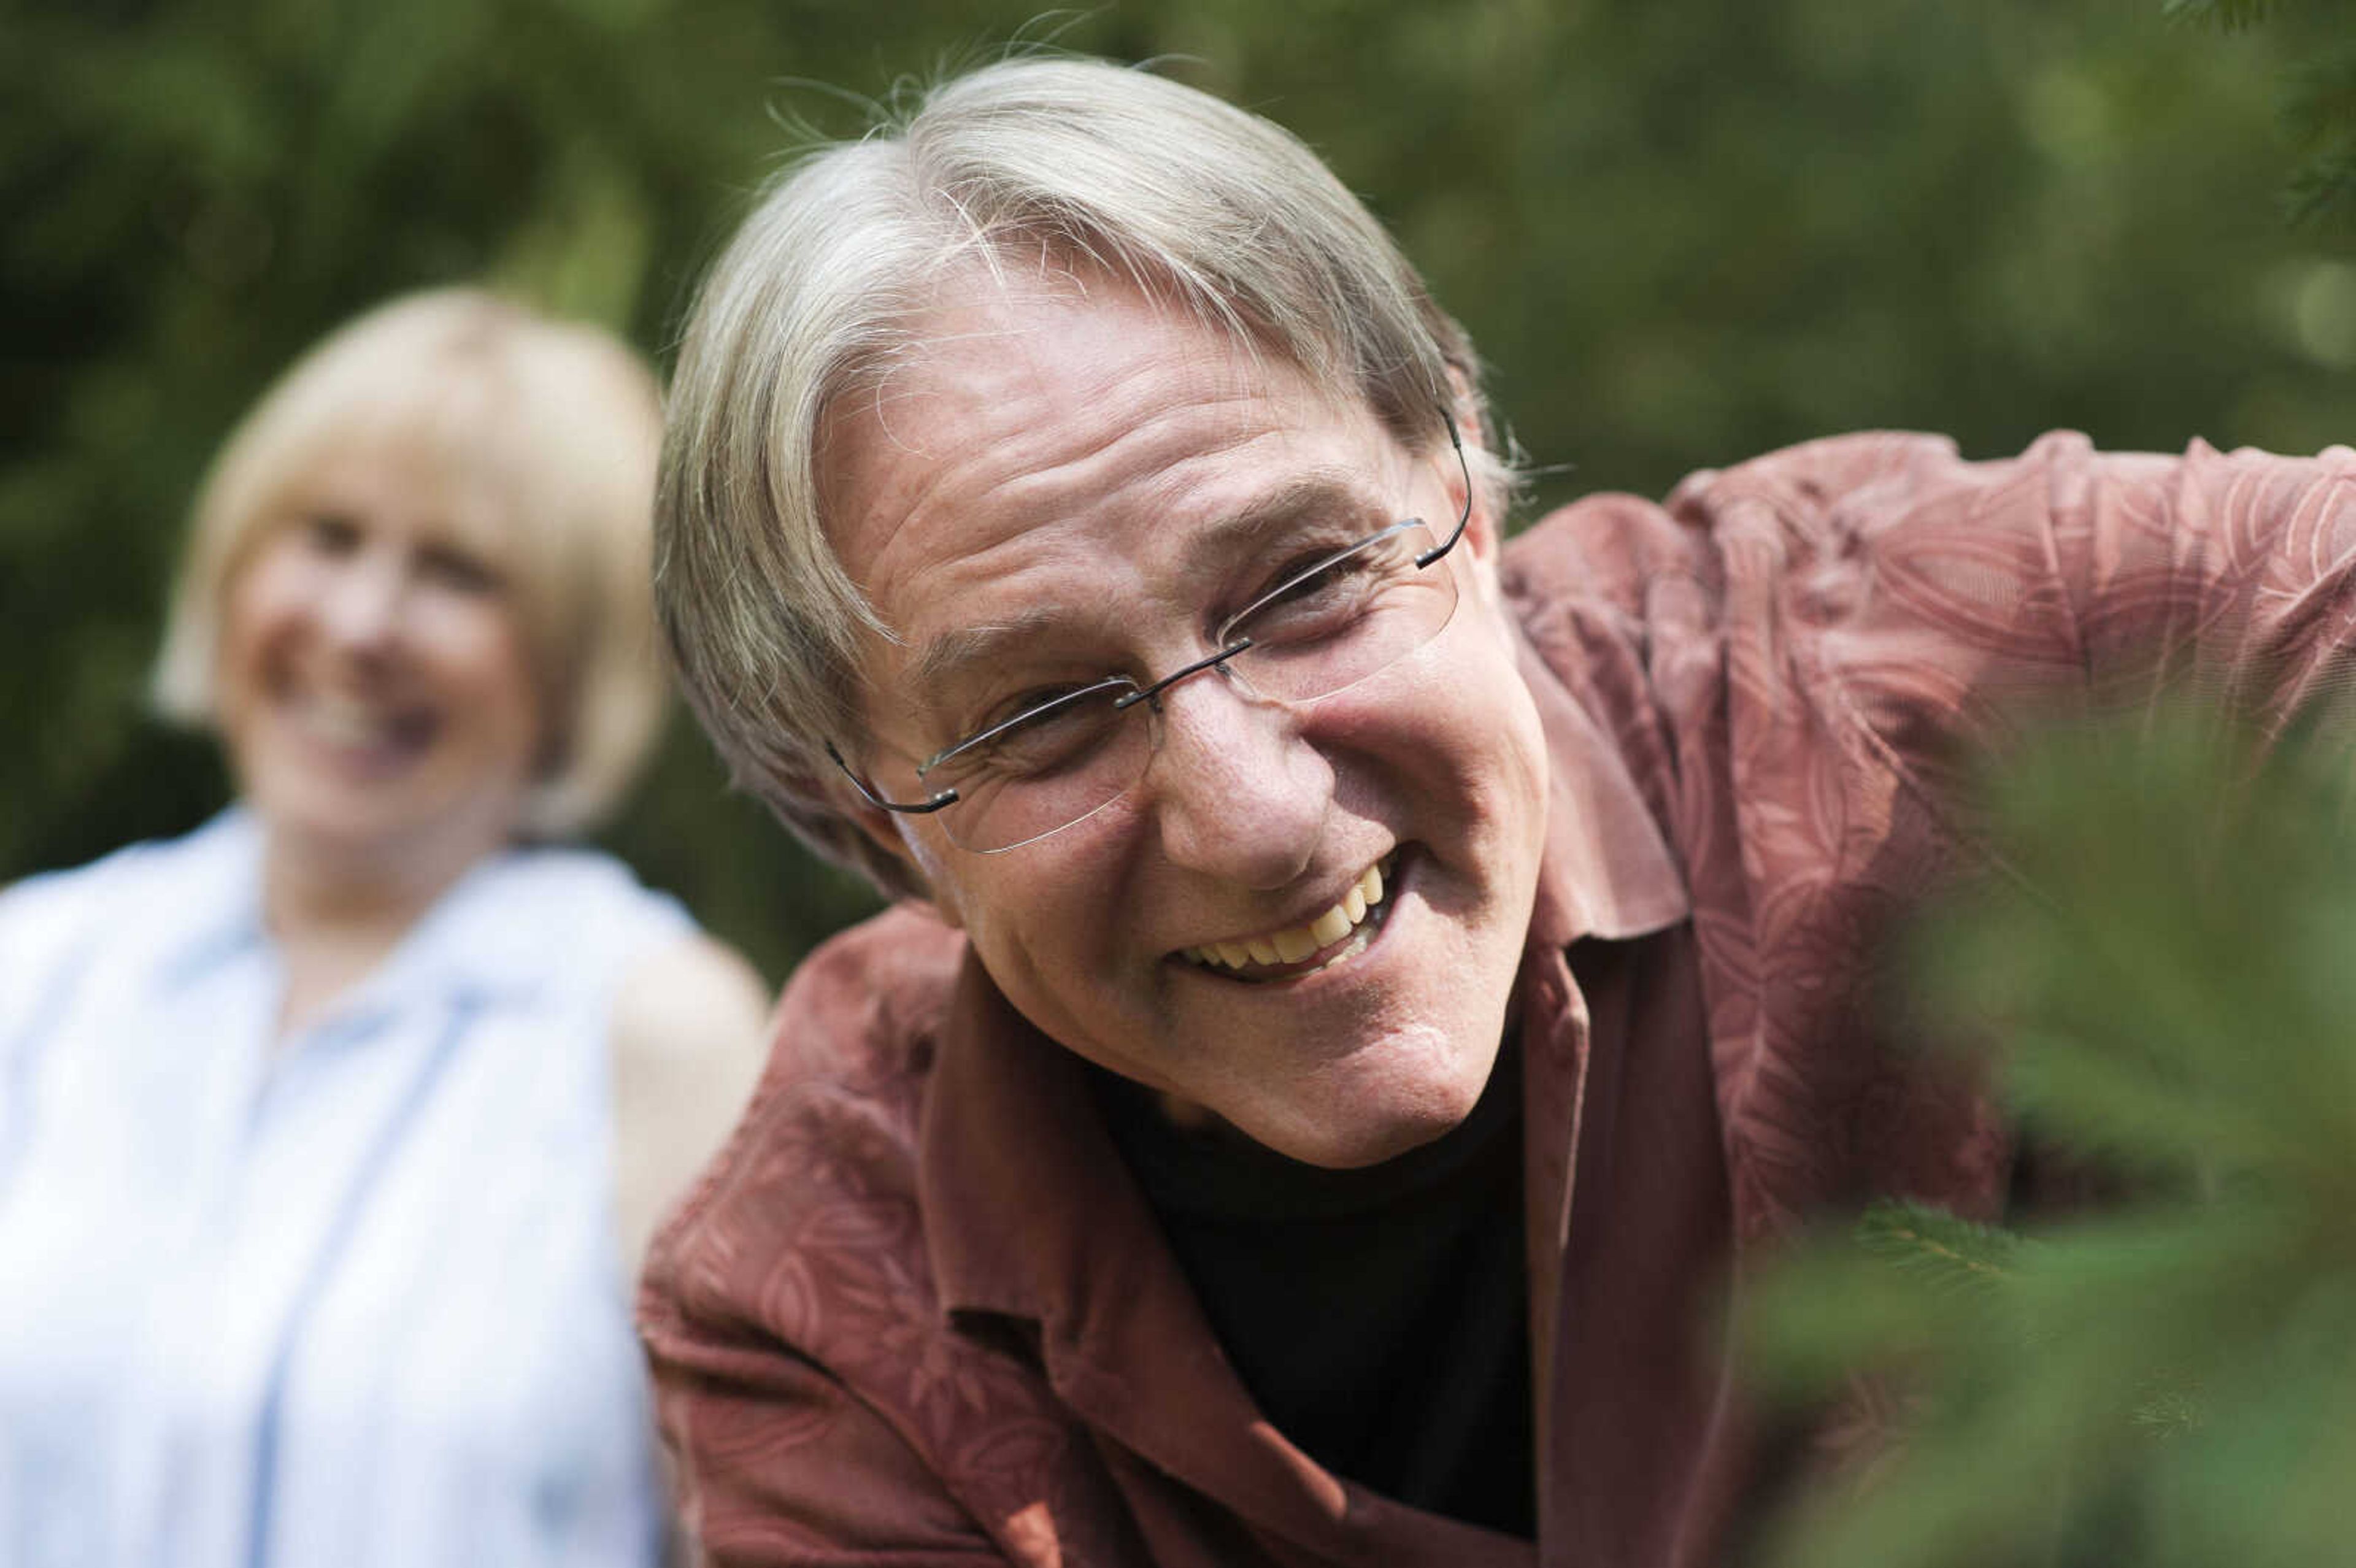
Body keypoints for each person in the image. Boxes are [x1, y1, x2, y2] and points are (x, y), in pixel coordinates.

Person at [638, 55, 2356, 1568]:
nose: (1251, 816)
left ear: (1464, 471)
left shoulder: (1950, 662)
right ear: (876, 832)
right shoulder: (827, 1284)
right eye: (1042, 716)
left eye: (1306, 582)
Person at [0, 288, 771, 1567]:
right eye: (328, 536)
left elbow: (743, 1535)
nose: (360, 627)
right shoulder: (33, 973)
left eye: (458, 573)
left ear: (573, 660)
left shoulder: (660, 1032)